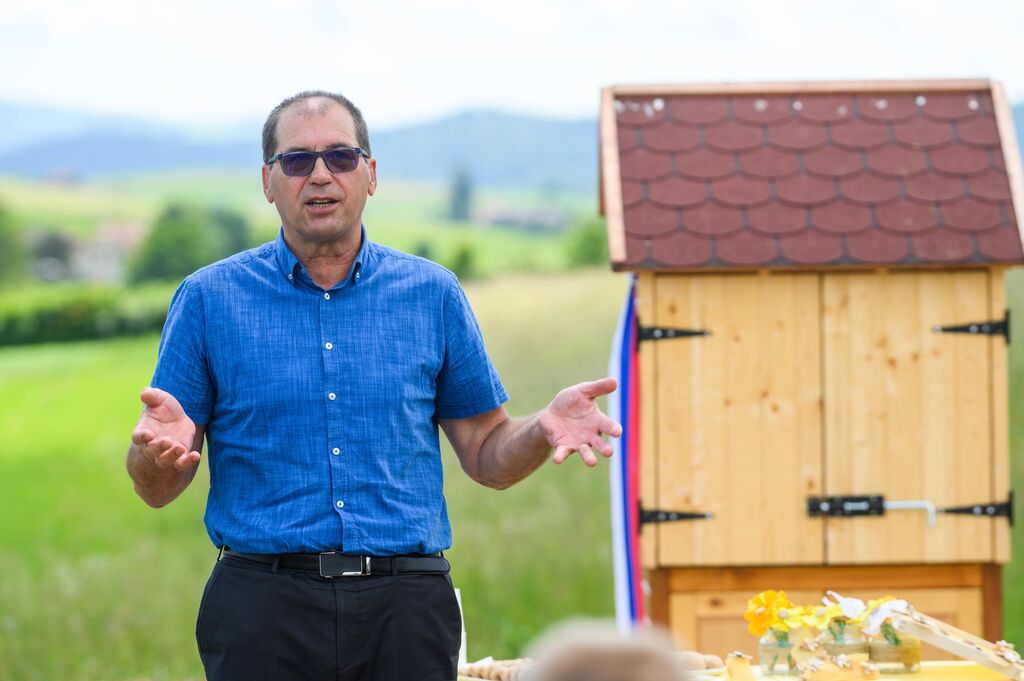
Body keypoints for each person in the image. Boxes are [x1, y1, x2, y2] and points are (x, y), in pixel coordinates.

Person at [125, 90, 622, 681]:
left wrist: (541, 428)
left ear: (371, 174)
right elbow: (158, 485)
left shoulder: (433, 294)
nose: (320, 175)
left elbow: (488, 454)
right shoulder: (209, 300)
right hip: (261, 608)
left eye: (340, 156)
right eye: (296, 160)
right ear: (267, 181)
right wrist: (152, 457)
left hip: (406, 609)